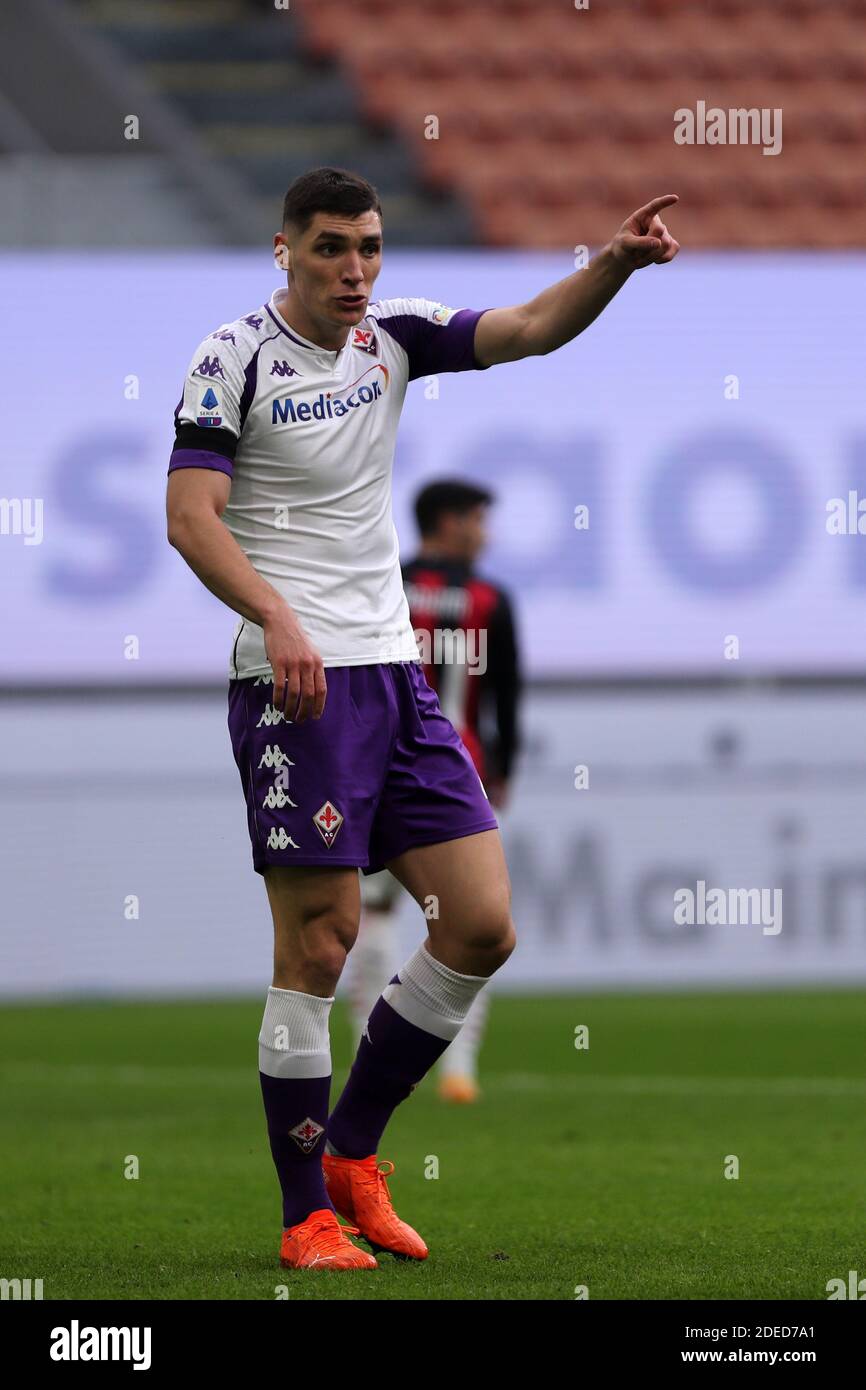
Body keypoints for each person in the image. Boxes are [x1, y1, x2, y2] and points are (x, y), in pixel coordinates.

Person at [165, 166, 679, 1272]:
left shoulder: (392, 336)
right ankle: (305, 1215)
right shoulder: (230, 358)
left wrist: (613, 265)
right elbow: (189, 518)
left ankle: (353, 1151)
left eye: (368, 247)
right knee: (321, 943)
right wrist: (276, 616)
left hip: (394, 681)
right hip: (291, 684)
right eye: (331, 249)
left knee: (481, 924)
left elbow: (533, 326)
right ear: (283, 248)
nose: (355, 271)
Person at [348, 478, 521, 1105]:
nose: (485, 532)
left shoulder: (383, 583)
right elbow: (506, 695)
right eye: (478, 518)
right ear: (448, 522)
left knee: (372, 916)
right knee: (477, 924)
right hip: (459, 776)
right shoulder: (490, 598)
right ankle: (458, 1069)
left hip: (378, 774)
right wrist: (503, 770)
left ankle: (371, 1050)